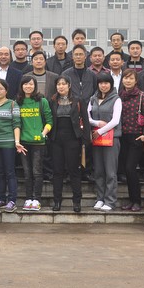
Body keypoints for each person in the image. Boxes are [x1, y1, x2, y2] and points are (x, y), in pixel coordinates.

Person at [48, 75, 90, 212]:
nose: (61, 86)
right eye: (58, 84)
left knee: (74, 171)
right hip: (56, 139)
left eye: (64, 84)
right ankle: (57, 201)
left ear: (69, 85)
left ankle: (77, 201)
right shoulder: (52, 101)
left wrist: (85, 140)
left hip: (73, 139)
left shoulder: (78, 100)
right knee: (57, 171)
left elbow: (85, 120)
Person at [0, 79, 23, 213]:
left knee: (9, 172)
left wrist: (17, 142)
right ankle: (1, 198)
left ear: (6, 90)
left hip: (9, 143)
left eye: (1, 88)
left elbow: (16, 124)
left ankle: (12, 200)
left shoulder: (12, 104)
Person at [17, 75, 53, 211]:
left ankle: (36, 199)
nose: (28, 86)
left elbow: (49, 121)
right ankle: (28, 199)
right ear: (21, 86)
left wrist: (43, 133)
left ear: (35, 86)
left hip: (39, 143)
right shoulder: (17, 102)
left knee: (37, 172)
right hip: (23, 142)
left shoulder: (42, 101)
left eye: (31, 84)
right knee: (27, 173)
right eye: (25, 84)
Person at [117, 69, 144, 212]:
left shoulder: (142, 96)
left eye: (131, 78)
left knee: (130, 168)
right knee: (126, 170)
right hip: (122, 136)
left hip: (136, 136)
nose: (128, 81)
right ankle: (131, 200)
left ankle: (137, 201)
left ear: (136, 81)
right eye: (126, 78)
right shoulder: (119, 96)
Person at [88, 72, 122, 212]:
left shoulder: (116, 99)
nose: (103, 85)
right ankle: (100, 199)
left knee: (110, 172)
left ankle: (110, 200)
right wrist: (97, 123)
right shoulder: (93, 98)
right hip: (97, 139)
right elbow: (88, 117)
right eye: (101, 83)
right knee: (99, 170)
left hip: (112, 139)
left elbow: (115, 120)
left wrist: (100, 131)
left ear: (111, 84)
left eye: (106, 83)